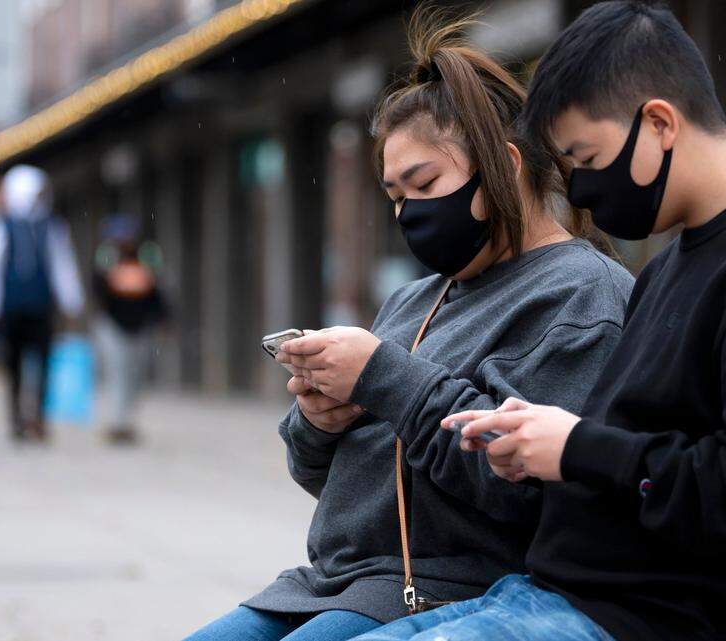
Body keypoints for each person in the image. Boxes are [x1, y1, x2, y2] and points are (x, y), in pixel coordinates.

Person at [351, 3, 726, 641]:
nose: (584, 192)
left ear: (658, 123)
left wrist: (576, 447)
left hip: (655, 619)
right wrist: (540, 441)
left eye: (587, 157)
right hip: (550, 595)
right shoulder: (670, 267)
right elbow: (643, 451)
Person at [181, 9, 633, 641]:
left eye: (423, 184)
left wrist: (386, 377)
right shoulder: (414, 299)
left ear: (501, 166)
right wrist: (316, 421)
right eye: (393, 197)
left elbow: (527, 493)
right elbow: (332, 481)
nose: (407, 214)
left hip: (448, 591)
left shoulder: (582, 296)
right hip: (329, 584)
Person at [0, 165, 84, 442]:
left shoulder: (52, 226)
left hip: (41, 307)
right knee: (14, 365)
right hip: (11, 309)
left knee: (44, 363)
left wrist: (72, 301)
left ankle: (40, 418)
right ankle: (16, 420)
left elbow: (62, 266)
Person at [93, 215, 167, 445]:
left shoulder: (147, 256)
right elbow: (98, 289)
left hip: (141, 325)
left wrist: (163, 318)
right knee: (117, 372)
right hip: (113, 325)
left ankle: (128, 420)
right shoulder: (106, 257)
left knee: (136, 374)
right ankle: (118, 422)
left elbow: (158, 291)